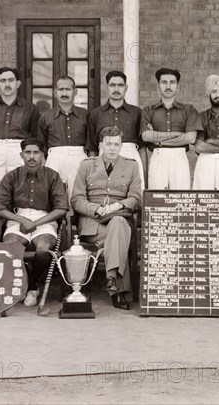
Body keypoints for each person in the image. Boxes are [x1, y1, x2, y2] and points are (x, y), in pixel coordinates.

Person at [71, 127, 142, 310]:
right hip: (93, 225)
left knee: (118, 224)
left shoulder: (131, 165)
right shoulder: (87, 165)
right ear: (100, 144)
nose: (112, 148)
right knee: (117, 237)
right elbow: (76, 199)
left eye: (116, 144)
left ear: (121, 146)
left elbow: (136, 198)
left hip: (118, 218)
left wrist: (117, 206)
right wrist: (97, 209)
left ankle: (111, 279)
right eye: (108, 144)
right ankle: (117, 289)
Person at [0, 138, 68, 307]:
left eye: (36, 153)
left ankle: (31, 286)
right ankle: (29, 287)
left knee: (43, 250)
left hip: (46, 219)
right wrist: (22, 220)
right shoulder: (12, 176)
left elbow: (61, 208)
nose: (32, 157)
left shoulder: (52, 176)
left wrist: (36, 222)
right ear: (21, 155)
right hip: (18, 218)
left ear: (42, 155)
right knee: (11, 247)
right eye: (28, 152)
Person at [141, 68, 203, 189]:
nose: (168, 86)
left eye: (172, 82)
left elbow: (190, 138)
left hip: (179, 156)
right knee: (156, 198)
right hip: (158, 156)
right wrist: (179, 134)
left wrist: (157, 138)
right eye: (164, 82)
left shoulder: (188, 110)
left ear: (177, 86)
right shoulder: (148, 110)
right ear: (157, 86)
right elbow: (146, 136)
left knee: (181, 197)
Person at [87, 71, 145, 189]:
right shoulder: (96, 114)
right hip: (104, 157)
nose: (116, 89)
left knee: (133, 194)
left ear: (126, 87)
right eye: (112, 85)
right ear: (106, 87)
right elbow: (92, 148)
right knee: (106, 193)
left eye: (120, 85)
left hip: (131, 155)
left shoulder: (137, 112)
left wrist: (145, 173)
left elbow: (142, 147)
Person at [38, 76, 88, 198]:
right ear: (55, 92)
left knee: (78, 194)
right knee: (53, 194)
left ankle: (76, 218)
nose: (64, 93)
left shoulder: (85, 115)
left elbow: (91, 142)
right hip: (54, 157)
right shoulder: (46, 117)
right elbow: (41, 144)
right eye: (61, 89)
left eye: (68, 89)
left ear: (75, 92)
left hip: (79, 157)